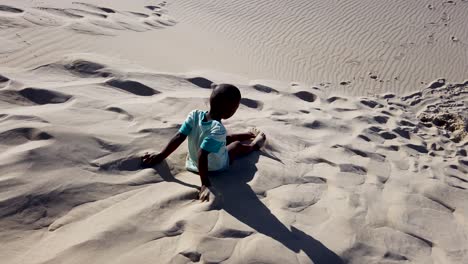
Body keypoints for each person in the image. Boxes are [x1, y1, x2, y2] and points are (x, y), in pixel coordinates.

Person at [141, 84, 266, 201]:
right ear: (229, 110)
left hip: (191, 162)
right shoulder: (218, 129)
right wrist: (205, 184)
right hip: (215, 167)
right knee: (236, 145)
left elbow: (179, 136)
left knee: (222, 139)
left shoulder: (194, 115)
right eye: (236, 106)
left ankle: (249, 134)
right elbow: (203, 153)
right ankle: (255, 146)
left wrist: (160, 156)